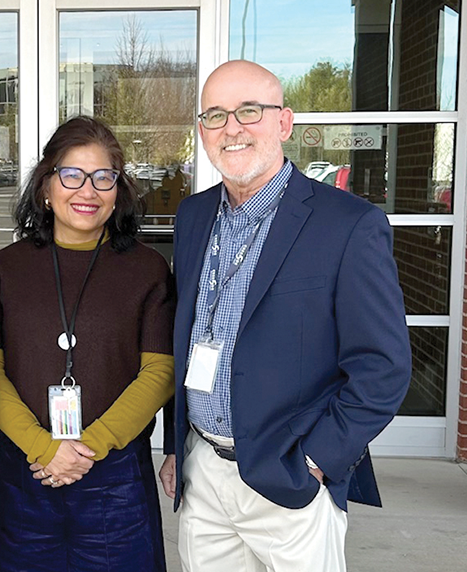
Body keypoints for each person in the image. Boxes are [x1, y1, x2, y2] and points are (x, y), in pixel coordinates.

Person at [159, 60, 412, 572]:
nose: (232, 128)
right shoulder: (193, 216)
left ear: (284, 122)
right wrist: (175, 444)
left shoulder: (348, 225)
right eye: (215, 115)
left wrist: (317, 461)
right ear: (202, 131)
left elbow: (382, 368)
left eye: (249, 111)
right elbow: (182, 338)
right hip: (202, 469)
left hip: (290, 478)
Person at [0, 115, 175, 572]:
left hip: (116, 480)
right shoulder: (6, 268)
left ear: (118, 190)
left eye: (103, 177)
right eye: (72, 175)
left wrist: (89, 448)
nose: (87, 191)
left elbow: (160, 372)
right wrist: (44, 448)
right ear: (46, 186)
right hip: (27, 472)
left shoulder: (146, 269)